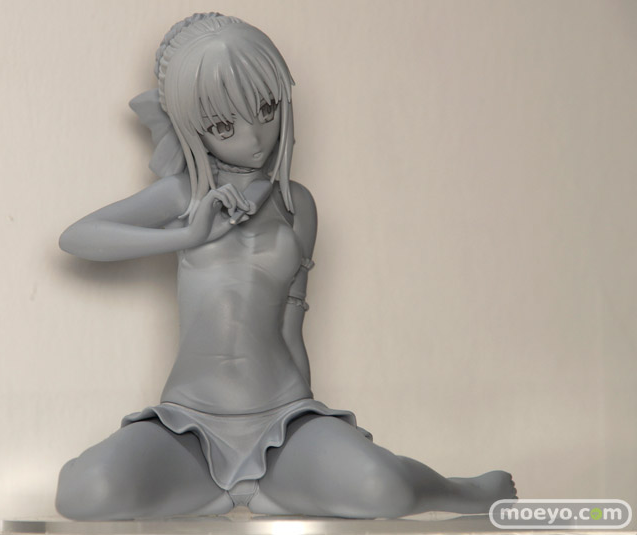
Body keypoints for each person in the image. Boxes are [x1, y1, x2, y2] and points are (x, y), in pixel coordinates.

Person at [55, 13, 516, 520]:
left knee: (379, 488)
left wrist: (315, 437)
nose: (254, 138)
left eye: (266, 109)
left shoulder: (298, 205)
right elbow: (78, 237)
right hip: (188, 425)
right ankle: (232, 487)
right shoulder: (186, 195)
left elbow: (292, 324)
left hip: (284, 418)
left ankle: (458, 490)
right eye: (223, 126)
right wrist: (187, 235)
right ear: (191, 127)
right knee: (86, 493)